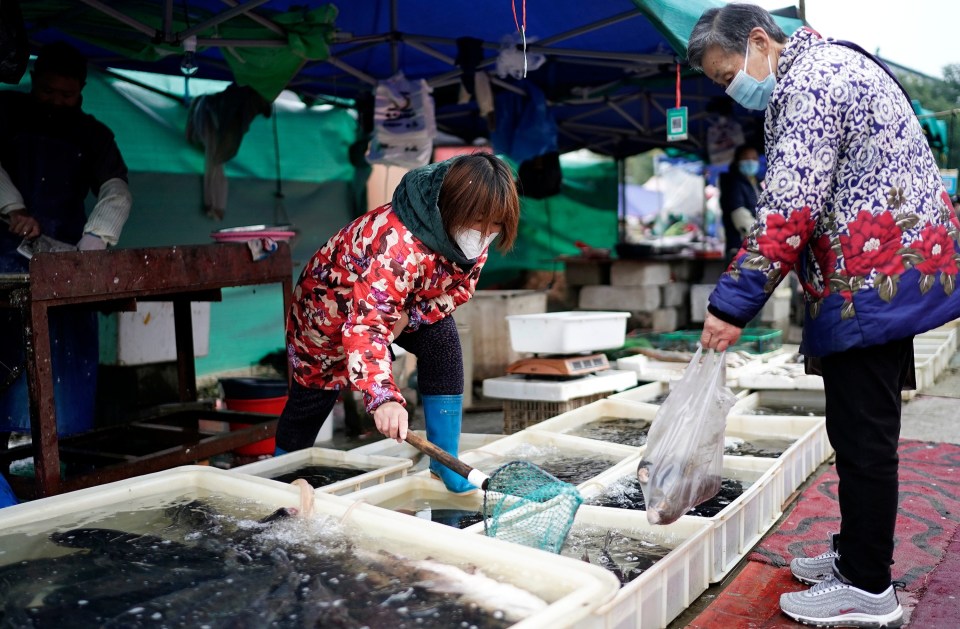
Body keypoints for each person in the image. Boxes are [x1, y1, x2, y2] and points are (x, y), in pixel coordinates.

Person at [687, 4, 960, 628]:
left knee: (864, 436)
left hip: (872, 277)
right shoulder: (826, 65)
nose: (732, 91)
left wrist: (732, 305)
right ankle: (854, 554)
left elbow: (788, 206)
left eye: (729, 75)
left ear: (760, 40)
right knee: (856, 424)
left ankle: (868, 589)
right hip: (881, 270)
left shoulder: (811, 82)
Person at [277, 153, 519, 493]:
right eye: (478, 221)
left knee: (443, 341)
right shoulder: (398, 245)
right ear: (451, 207)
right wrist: (383, 398)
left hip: (398, 305)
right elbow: (367, 327)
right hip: (328, 311)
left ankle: (446, 464)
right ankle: (282, 474)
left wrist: (412, 316)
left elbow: (461, 288)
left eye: (495, 224)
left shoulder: (472, 238)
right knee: (314, 395)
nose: (484, 234)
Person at [0, 42, 132, 456]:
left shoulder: (93, 134)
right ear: (33, 80)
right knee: (5, 362)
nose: (56, 101)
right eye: (48, 91)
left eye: (67, 95)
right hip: (5, 261)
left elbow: (116, 190)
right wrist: (12, 207)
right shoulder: (4, 112)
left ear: (82, 92)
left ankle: (66, 461)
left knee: (65, 373)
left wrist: (93, 243)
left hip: (64, 268)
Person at [718, 144, 762, 258]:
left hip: (755, 245)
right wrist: (761, 237)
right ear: (738, 161)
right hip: (740, 245)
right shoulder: (734, 183)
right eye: (746, 158)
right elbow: (739, 214)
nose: (751, 161)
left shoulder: (756, 183)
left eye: (754, 158)